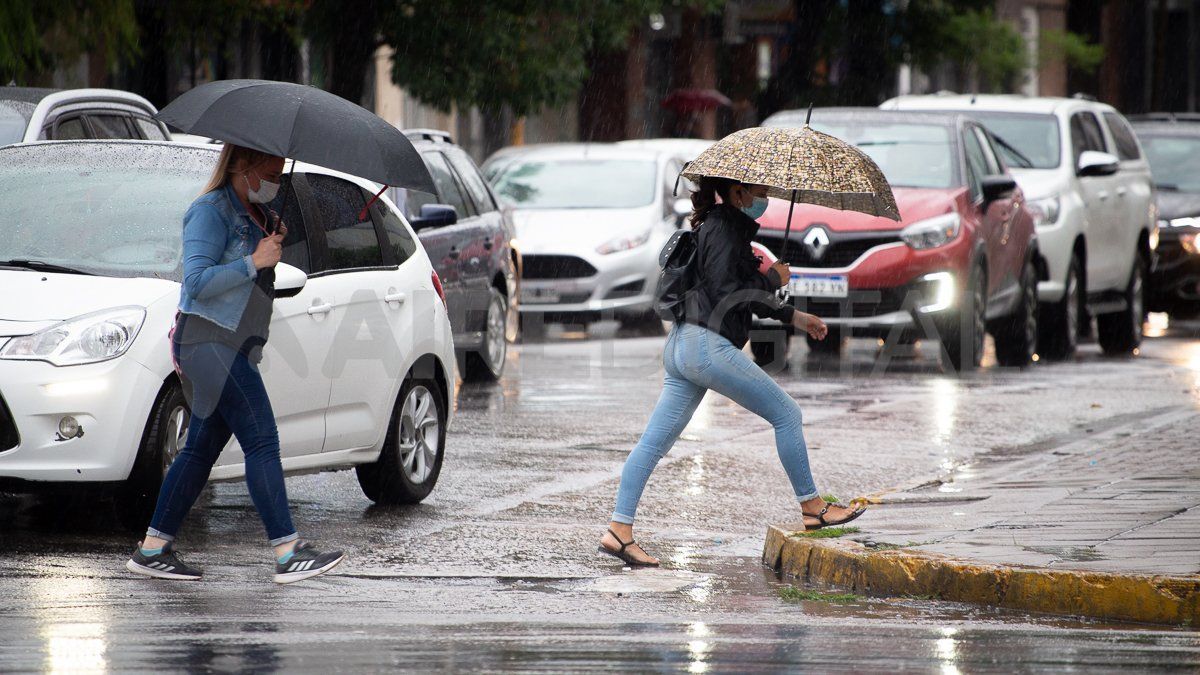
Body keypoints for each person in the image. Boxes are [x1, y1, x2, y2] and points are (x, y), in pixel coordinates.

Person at [598, 177, 865, 567]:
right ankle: (813, 507)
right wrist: (772, 279)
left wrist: (796, 316)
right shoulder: (725, 228)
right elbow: (730, 293)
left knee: (652, 444)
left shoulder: (718, 225)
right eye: (760, 193)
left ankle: (619, 531)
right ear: (738, 193)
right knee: (787, 414)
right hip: (707, 346)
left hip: (683, 344)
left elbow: (740, 294)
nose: (765, 199)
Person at [126, 144, 344, 584]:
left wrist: (267, 241)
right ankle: (287, 551)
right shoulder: (209, 211)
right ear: (243, 167)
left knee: (200, 448)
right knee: (261, 439)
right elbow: (198, 281)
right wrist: (253, 261)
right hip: (207, 342)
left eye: (281, 174)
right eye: (271, 172)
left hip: (231, 347)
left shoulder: (252, 216)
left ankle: (152, 549)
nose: (276, 182)